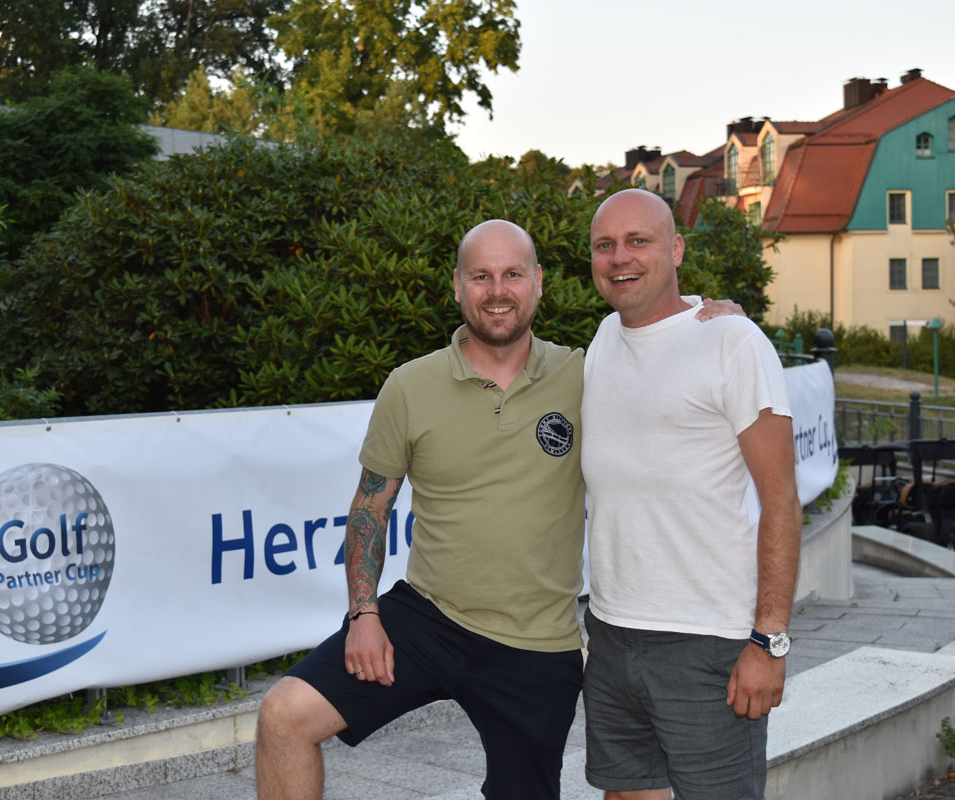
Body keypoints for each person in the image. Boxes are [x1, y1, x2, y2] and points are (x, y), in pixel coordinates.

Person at [255, 218, 736, 800]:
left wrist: (712, 320)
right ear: (458, 286)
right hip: (427, 619)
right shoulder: (409, 386)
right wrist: (363, 614)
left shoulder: (587, 374)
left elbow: (658, 346)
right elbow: (369, 511)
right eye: (481, 276)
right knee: (284, 715)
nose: (498, 290)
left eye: (512, 274)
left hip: (539, 644)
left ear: (538, 283)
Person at [580, 189, 801, 800]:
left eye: (639, 241)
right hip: (611, 632)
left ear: (676, 249)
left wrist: (769, 641)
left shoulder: (733, 342)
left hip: (708, 643)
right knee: (626, 795)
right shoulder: (604, 338)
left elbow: (782, 500)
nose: (620, 257)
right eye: (605, 245)